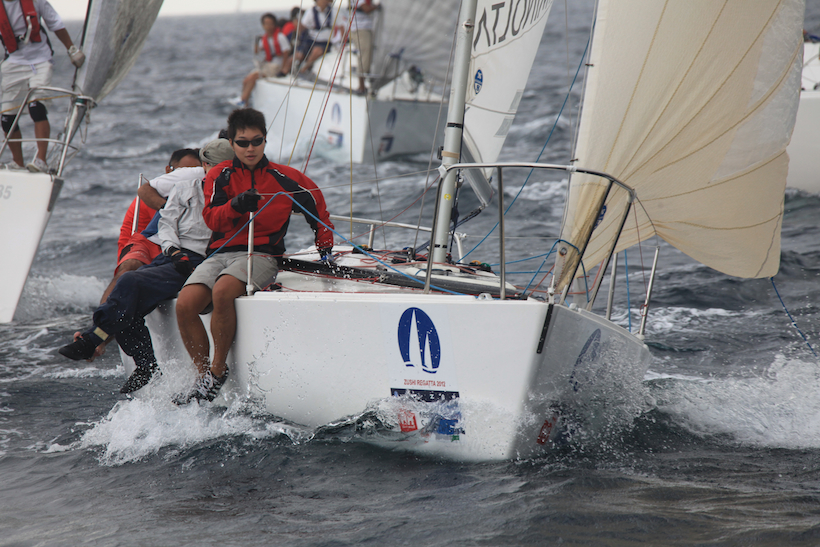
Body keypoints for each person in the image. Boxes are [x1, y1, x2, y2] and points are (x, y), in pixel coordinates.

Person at [173, 108, 334, 405]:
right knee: (184, 304)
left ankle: (218, 371)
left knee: (222, 291)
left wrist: (325, 248)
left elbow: (318, 210)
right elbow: (211, 218)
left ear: (265, 140)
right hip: (220, 253)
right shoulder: (218, 176)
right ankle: (202, 375)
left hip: (261, 254)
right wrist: (236, 205)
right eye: (243, 142)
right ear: (231, 143)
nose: (250, 148)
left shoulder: (286, 178)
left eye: (257, 141)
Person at [57, 139, 236, 394]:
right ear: (204, 166)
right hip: (172, 255)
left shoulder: (236, 195)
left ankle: (99, 339)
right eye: (212, 165)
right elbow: (167, 222)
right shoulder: (186, 186)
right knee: (126, 296)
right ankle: (143, 363)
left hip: (199, 260)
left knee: (129, 283)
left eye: (223, 166)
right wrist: (172, 250)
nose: (216, 171)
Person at [0, 0, 85, 172]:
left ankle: (41, 160)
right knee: (7, 119)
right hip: (14, 62)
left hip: (40, 60)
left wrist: (71, 49)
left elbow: (55, 23)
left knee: (37, 107)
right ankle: (18, 162)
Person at [236, 13, 292, 107]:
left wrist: (283, 69)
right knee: (246, 80)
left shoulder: (280, 37)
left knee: (254, 77)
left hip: (276, 66)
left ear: (275, 24)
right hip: (268, 65)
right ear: (263, 25)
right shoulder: (264, 39)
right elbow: (259, 52)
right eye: (266, 24)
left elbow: (286, 53)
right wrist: (256, 44)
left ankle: (243, 100)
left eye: (271, 24)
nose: (268, 26)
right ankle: (244, 101)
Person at [295, 0, 335, 74]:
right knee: (298, 55)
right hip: (311, 40)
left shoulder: (333, 11)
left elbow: (341, 27)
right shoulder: (310, 11)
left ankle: (303, 70)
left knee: (316, 51)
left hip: (325, 42)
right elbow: (302, 27)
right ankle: (285, 72)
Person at [348, 0, 379, 94]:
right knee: (364, 56)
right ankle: (361, 86)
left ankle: (364, 85)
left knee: (367, 56)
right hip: (361, 29)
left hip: (365, 29)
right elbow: (366, 9)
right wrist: (378, 6)